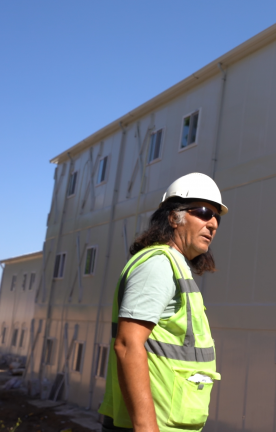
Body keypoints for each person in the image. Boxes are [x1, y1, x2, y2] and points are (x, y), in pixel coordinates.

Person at [99, 173, 227, 432]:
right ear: (173, 217)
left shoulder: (175, 266)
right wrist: (146, 427)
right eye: (203, 212)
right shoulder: (158, 264)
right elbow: (128, 344)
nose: (213, 223)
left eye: (216, 217)